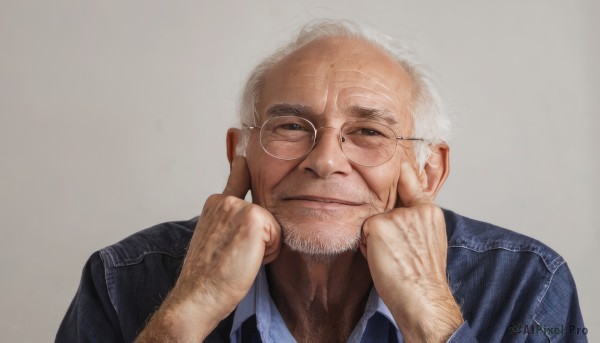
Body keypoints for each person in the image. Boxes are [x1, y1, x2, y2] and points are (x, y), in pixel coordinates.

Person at [56, 19, 586, 343]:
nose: (326, 160)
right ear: (239, 153)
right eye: (290, 127)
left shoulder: (529, 286)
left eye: (369, 131)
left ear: (429, 170)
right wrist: (187, 312)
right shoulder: (119, 281)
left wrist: (433, 321)